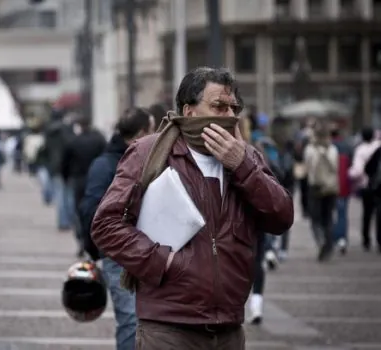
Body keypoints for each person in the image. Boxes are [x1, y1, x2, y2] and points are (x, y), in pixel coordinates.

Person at [91, 67, 294, 349]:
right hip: (168, 327)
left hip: (229, 328)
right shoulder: (148, 152)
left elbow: (282, 216)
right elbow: (105, 225)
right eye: (218, 106)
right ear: (189, 111)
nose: (228, 115)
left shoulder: (247, 156)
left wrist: (243, 167)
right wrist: (163, 261)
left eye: (233, 108)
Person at [80, 107, 155, 350]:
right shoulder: (105, 165)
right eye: (152, 131)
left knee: (150, 321)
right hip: (118, 254)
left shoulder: (149, 160)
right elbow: (90, 211)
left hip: (150, 251)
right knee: (131, 320)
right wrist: (97, 250)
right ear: (142, 133)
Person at [61, 115, 106, 257]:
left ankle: (82, 240)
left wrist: (66, 177)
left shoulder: (74, 141)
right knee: (96, 211)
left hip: (78, 180)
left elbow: (65, 163)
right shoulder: (99, 140)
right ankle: (94, 241)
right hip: (96, 179)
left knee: (79, 212)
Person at [304, 122, 339, 262]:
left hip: (315, 187)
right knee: (328, 218)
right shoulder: (333, 149)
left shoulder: (310, 149)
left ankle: (320, 240)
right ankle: (329, 246)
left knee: (315, 219)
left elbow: (308, 167)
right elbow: (335, 168)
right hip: (330, 188)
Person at [349, 127, 381, 251]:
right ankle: (379, 240)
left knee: (367, 213)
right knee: (379, 214)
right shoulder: (378, 147)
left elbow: (358, 170)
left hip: (367, 186)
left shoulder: (360, 150)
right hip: (379, 185)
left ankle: (366, 240)